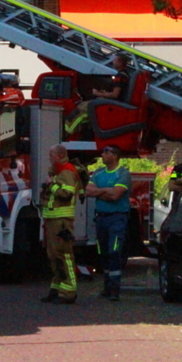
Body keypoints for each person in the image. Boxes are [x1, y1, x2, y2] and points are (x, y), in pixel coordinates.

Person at [86, 145, 131, 301]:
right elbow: (88, 191)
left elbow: (116, 195)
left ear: (115, 156)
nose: (102, 154)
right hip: (101, 218)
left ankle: (114, 288)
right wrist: (106, 191)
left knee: (114, 251)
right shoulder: (98, 172)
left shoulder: (123, 173)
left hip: (117, 218)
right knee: (103, 252)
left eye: (106, 152)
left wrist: (99, 192)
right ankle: (106, 286)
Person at [40, 144, 81, 305]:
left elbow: (66, 194)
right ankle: (56, 290)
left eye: (51, 155)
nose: (49, 158)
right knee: (54, 256)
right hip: (53, 220)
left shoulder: (67, 172)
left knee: (64, 256)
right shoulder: (58, 172)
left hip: (61, 222)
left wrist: (51, 184)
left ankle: (68, 293)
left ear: (59, 155)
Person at [64, 52, 131, 135]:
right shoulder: (126, 75)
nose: (112, 62)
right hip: (116, 103)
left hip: (114, 104)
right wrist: (105, 93)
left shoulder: (120, 76)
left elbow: (115, 95)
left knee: (83, 108)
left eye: (114, 61)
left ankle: (67, 132)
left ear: (120, 63)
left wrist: (98, 94)